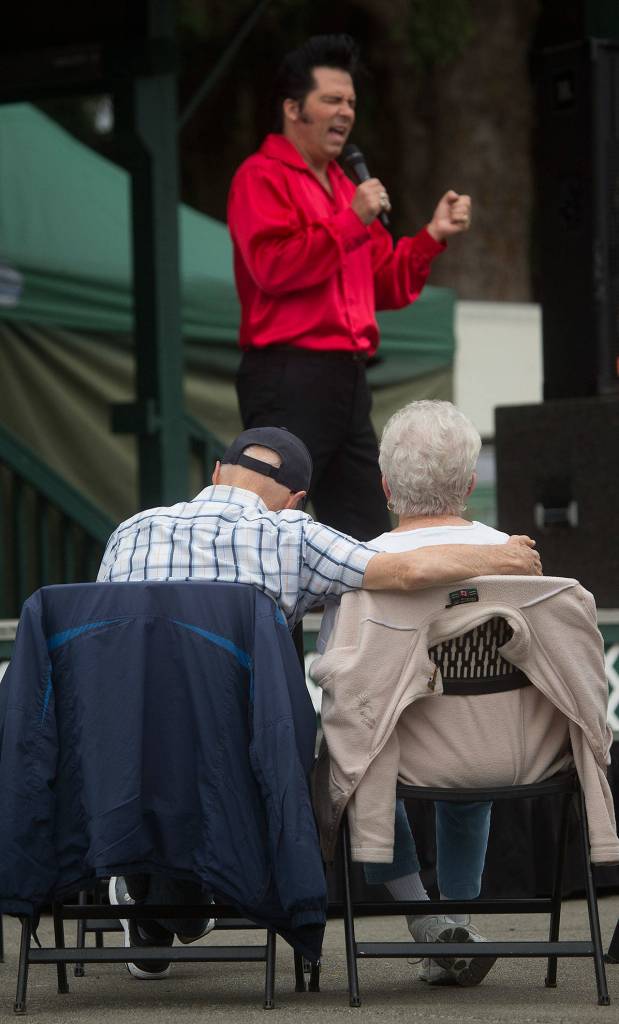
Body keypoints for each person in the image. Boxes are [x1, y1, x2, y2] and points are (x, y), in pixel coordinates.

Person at [98, 424, 541, 979]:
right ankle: (171, 900)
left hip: (123, 746)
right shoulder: (293, 537)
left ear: (215, 472)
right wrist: (500, 553)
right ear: (296, 499)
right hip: (235, 752)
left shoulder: (130, 530)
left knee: (214, 742)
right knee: (284, 745)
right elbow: (407, 570)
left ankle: (151, 894)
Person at [227, 34, 472, 541]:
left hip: (347, 379)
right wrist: (351, 219)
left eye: (352, 103)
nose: (346, 112)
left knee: (365, 531)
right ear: (294, 109)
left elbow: (386, 284)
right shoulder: (261, 176)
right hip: (288, 373)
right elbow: (272, 268)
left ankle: (363, 623)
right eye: (332, 100)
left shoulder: (344, 186)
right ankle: (270, 626)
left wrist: (431, 237)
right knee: (270, 527)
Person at [314, 401, 518, 987]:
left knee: (351, 756)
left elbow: (340, 680)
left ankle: (428, 922)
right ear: (471, 484)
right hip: (498, 753)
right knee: (469, 771)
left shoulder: (361, 569)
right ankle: (454, 925)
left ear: (384, 485)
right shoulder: (519, 560)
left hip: (393, 756)